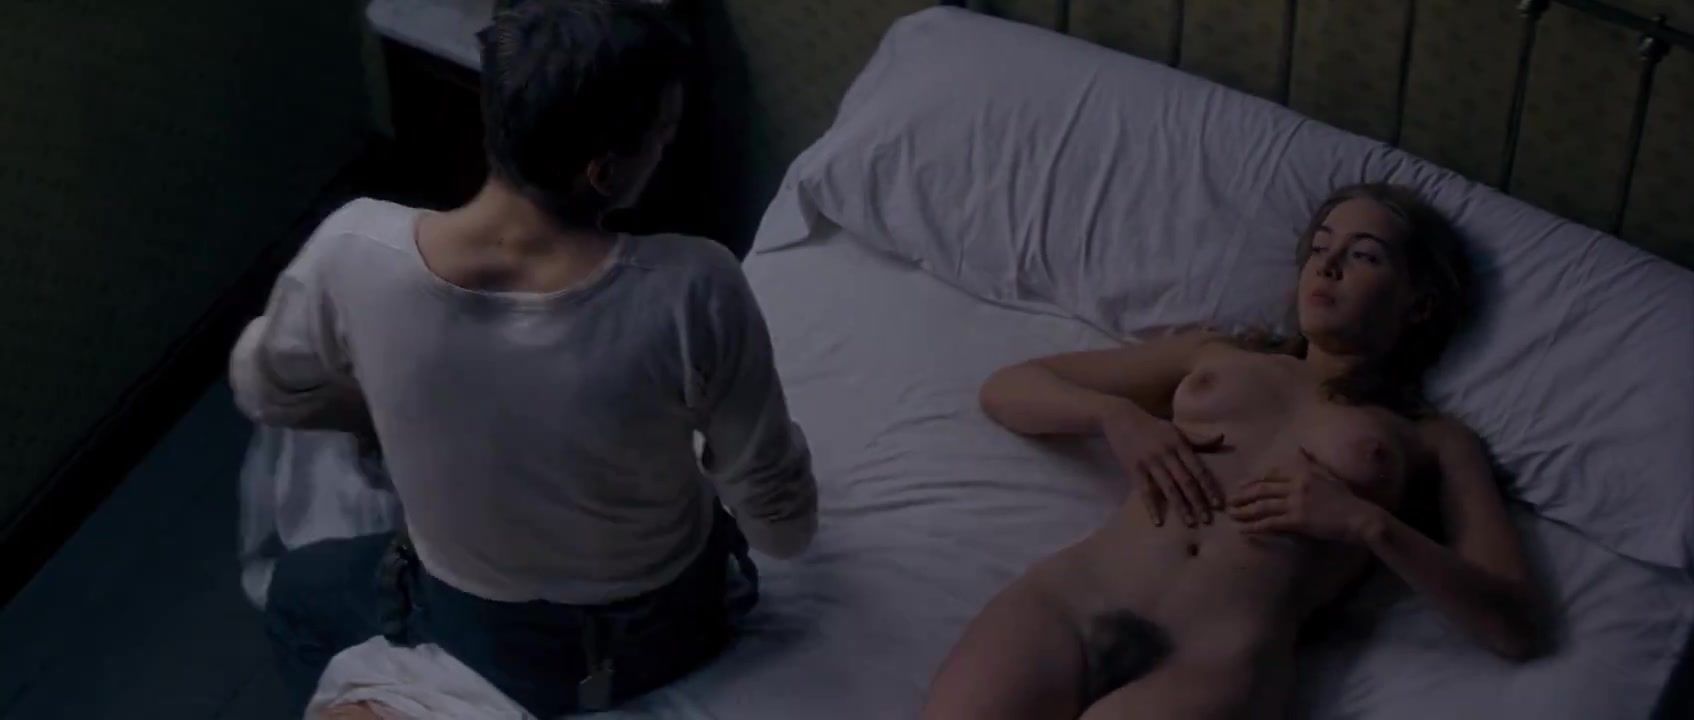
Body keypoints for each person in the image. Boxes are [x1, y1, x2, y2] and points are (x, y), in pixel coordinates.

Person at [228, 1, 817, 717]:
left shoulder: (352, 252)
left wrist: (369, 408)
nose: (665, 151)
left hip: (489, 638)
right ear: (605, 171)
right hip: (670, 629)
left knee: (296, 592)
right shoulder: (696, 287)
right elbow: (783, 530)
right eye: (664, 136)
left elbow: (262, 387)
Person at [920, 183, 1545, 720]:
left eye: (1363, 255)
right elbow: (1008, 389)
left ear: (1419, 303)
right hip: (1072, 602)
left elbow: (1514, 626)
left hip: (1214, 664)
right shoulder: (1220, 354)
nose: (1327, 267)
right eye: (1319, 248)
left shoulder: (1432, 437)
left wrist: (1366, 524)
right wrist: (1117, 417)